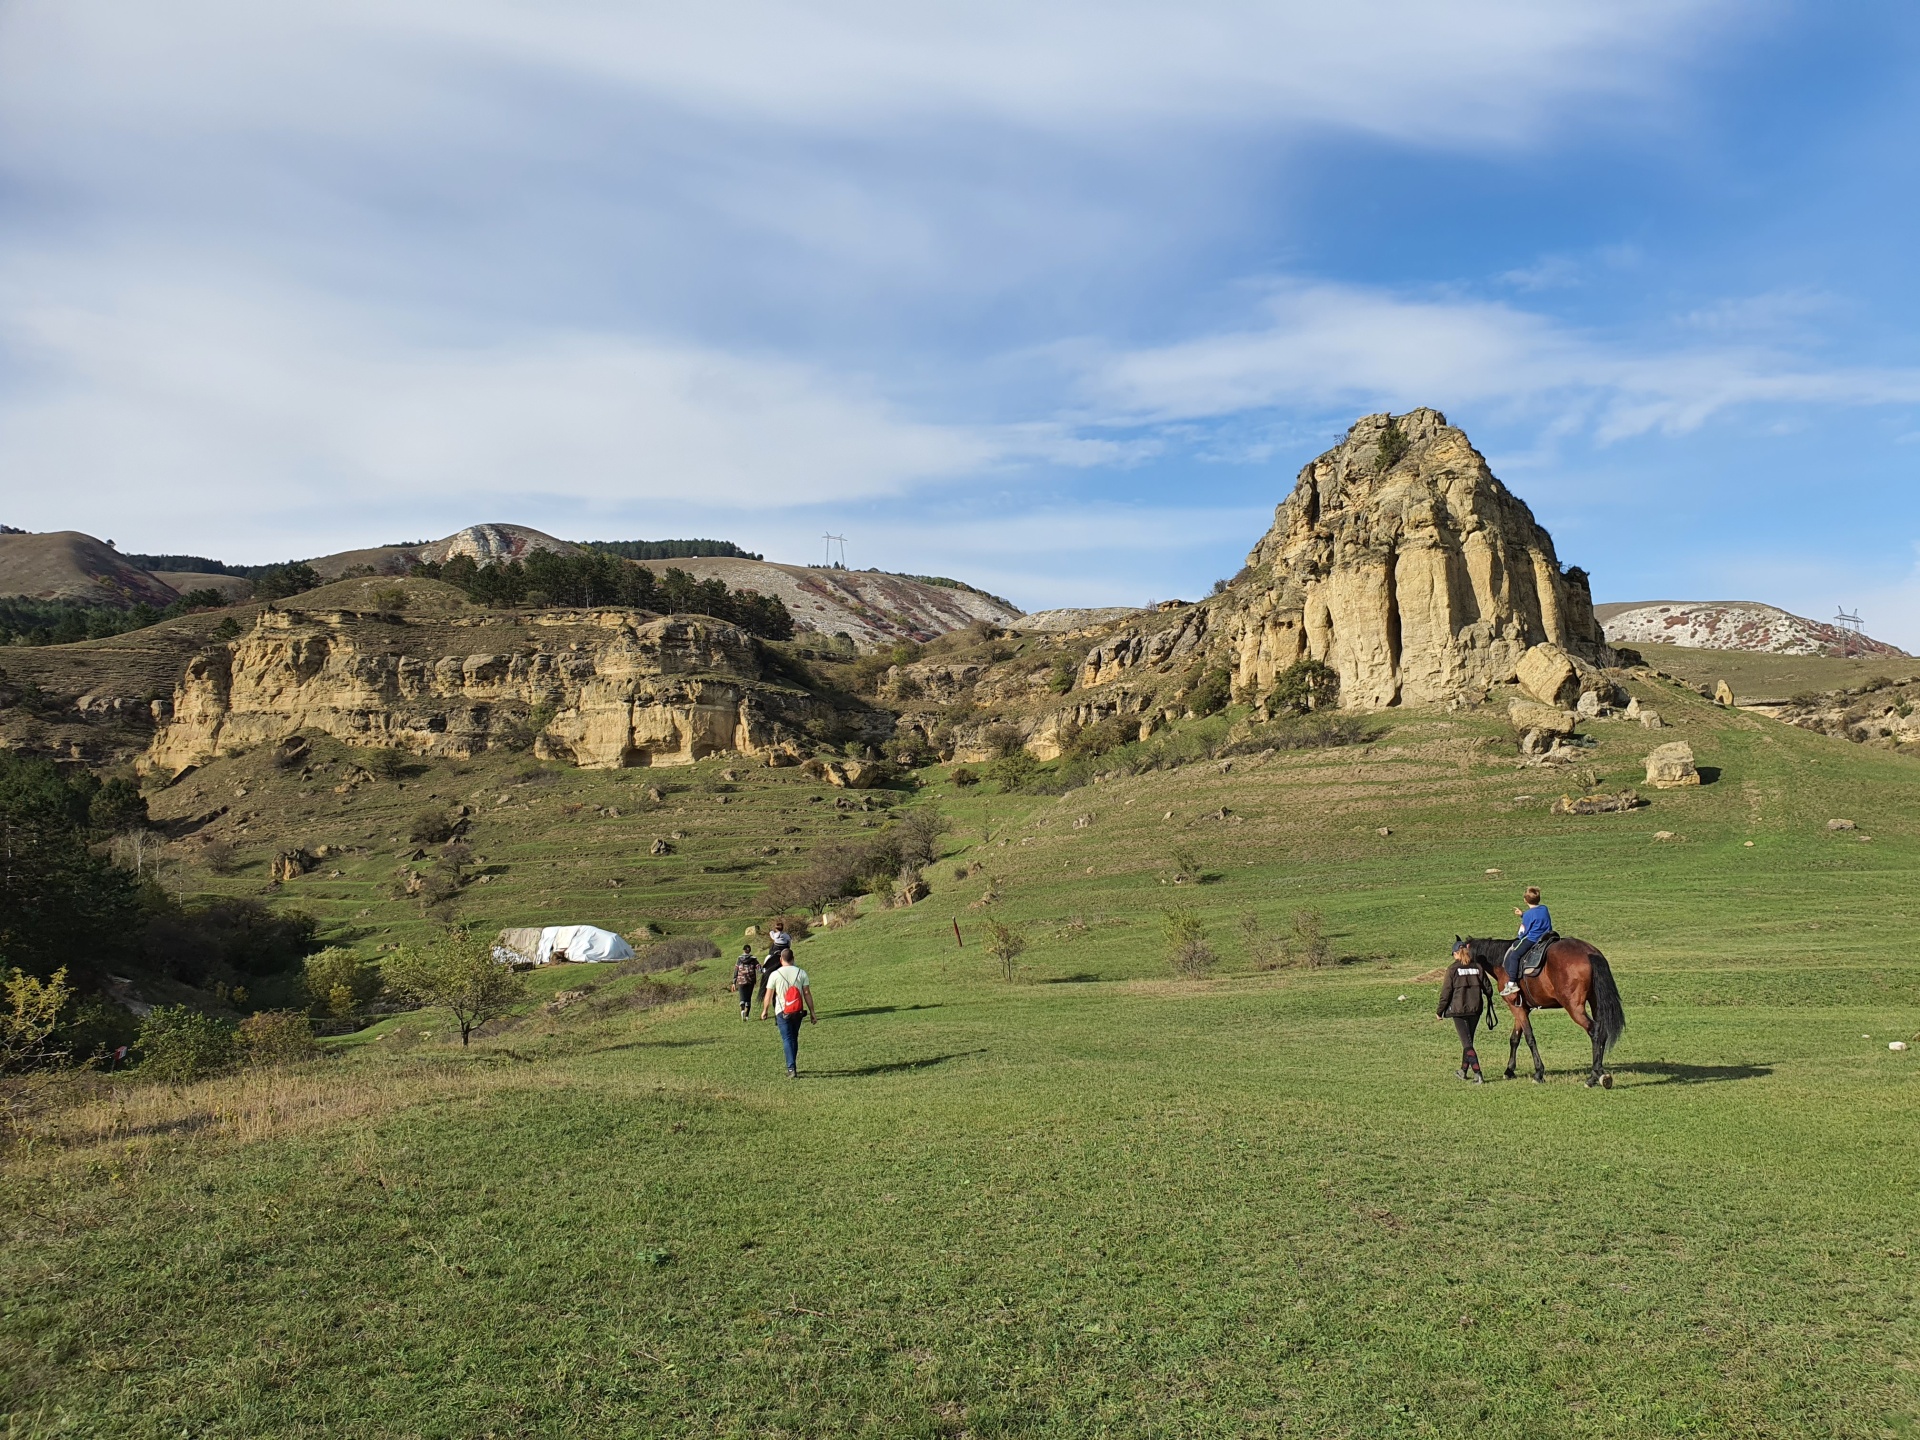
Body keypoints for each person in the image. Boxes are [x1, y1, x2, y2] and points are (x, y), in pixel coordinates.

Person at [1438, 942, 1495, 1082]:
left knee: (1467, 1043)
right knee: (1468, 1041)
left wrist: (1440, 1011)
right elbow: (1489, 989)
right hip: (1476, 1009)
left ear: (1456, 954)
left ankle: (1478, 1074)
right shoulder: (1478, 967)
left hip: (1458, 1010)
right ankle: (1463, 1071)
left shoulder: (1452, 969)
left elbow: (1446, 992)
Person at [759, 950, 816, 1078]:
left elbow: (769, 995)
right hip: (798, 1011)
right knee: (794, 1037)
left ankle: (791, 1068)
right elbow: (807, 993)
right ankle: (793, 1064)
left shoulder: (774, 974)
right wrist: (812, 1012)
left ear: (781, 960)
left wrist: (765, 1011)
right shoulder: (801, 973)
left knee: (787, 1038)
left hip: (782, 1011)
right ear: (793, 958)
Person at [1501, 886, 1552, 998]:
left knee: (1514, 955)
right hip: (1547, 937)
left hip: (1533, 939)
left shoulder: (1529, 914)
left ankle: (1512, 983)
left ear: (1525, 900)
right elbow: (1536, 917)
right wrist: (1522, 915)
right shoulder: (1544, 908)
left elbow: (1523, 932)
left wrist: (1519, 936)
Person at [731, 945, 759, 1021]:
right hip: (750, 981)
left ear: (743, 950)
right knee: (748, 998)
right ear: (750, 950)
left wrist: (734, 982)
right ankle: (747, 1016)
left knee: (742, 997)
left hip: (741, 980)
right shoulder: (753, 959)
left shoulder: (739, 959)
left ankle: (742, 1010)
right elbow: (759, 968)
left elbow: (736, 970)